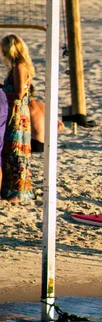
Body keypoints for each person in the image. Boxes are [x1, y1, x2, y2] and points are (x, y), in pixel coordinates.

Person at [1, 34, 35, 202]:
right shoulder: (20, 66)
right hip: (19, 113)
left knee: (15, 152)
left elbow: (19, 94)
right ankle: (15, 189)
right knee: (15, 151)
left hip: (17, 113)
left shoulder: (19, 67)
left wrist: (3, 92)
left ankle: (17, 190)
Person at [28, 84, 65, 153]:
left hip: (34, 143)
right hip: (47, 143)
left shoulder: (27, 106)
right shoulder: (42, 105)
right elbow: (61, 126)